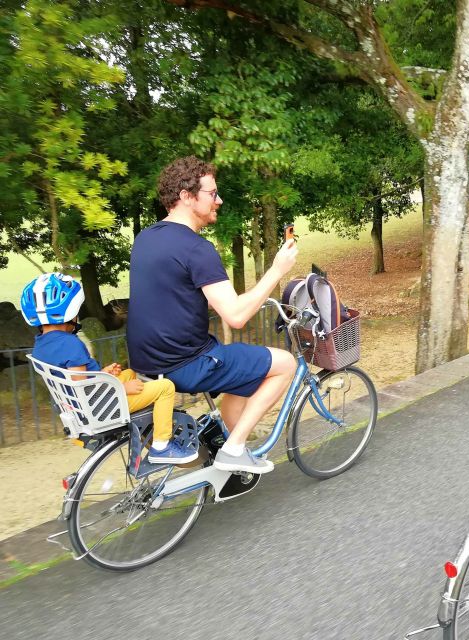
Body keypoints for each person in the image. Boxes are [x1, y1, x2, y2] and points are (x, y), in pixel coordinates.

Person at [127, 156, 299, 475]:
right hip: (187, 363)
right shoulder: (197, 250)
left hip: (147, 364)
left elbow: (170, 295)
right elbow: (235, 316)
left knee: (243, 367)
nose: (218, 200)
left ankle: (235, 445)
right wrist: (277, 270)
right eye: (212, 193)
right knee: (285, 364)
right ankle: (233, 450)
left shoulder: (146, 238)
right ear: (186, 195)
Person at [22, 273, 195, 464]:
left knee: (129, 373)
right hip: (101, 407)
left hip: (80, 406)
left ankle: (149, 421)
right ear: (70, 313)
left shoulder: (40, 345)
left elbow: (75, 379)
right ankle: (162, 446)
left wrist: (102, 374)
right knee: (166, 387)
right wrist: (122, 389)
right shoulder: (70, 344)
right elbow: (83, 388)